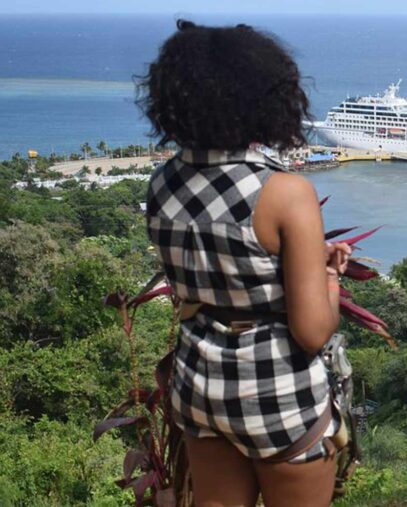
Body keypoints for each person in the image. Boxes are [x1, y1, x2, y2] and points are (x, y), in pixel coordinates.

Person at [140, 19, 348, 506]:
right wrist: (329, 276)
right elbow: (313, 331)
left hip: (199, 386)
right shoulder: (285, 193)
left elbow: (215, 271)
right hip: (277, 393)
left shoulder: (161, 185)